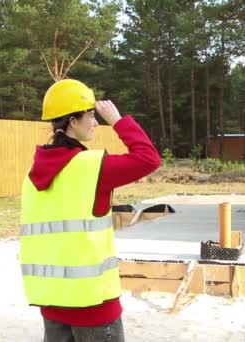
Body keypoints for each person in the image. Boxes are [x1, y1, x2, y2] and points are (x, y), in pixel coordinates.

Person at [19, 79, 161, 342]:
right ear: (73, 121)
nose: (95, 122)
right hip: (94, 307)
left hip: (52, 303)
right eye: (91, 115)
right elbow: (149, 158)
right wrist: (118, 120)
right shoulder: (91, 167)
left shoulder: (31, 175)